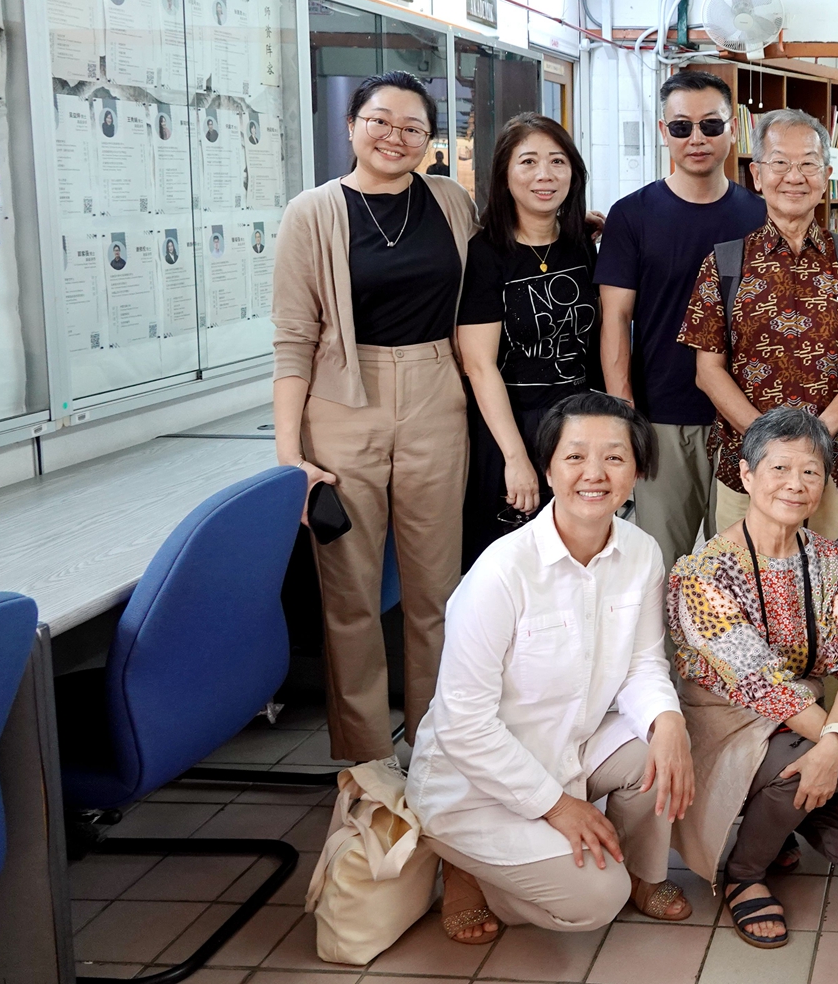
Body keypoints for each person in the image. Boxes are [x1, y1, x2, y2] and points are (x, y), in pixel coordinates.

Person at [408, 392, 695, 945]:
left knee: (662, 746)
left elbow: (643, 663)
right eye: (575, 456)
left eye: (615, 457)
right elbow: (462, 724)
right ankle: (464, 865)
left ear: (638, 471)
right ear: (547, 469)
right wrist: (558, 807)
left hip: (569, 747)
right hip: (476, 780)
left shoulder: (641, 552)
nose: (595, 473)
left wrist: (670, 722)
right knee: (596, 900)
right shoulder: (502, 572)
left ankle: (641, 870)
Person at [271, 70, 476, 762]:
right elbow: (293, 340)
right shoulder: (312, 212)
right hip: (340, 401)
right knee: (350, 591)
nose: (395, 136)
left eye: (413, 127)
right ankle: (366, 759)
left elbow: (494, 275)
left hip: (437, 394)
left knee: (437, 591)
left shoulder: (450, 201)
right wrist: (290, 457)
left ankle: (436, 746)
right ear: (352, 125)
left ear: (429, 140)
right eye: (380, 121)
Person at [668, 407, 838, 949]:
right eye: (779, 468)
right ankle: (744, 874)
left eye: (811, 471)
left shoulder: (834, 559)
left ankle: (780, 815)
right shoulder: (704, 572)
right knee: (802, 767)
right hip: (725, 721)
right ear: (746, 475)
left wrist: (832, 746)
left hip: (801, 722)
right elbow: (760, 685)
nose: (795, 483)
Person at [678, 107, 838, 577]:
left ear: (826, 175)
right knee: (748, 596)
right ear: (757, 176)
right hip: (750, 467)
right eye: (779, 163)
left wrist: (817, 436)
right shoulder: (725, 264)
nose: (794, 176)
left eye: (808, 163)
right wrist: (771, 446)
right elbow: (708, 371)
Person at [599, 70, 765, 568]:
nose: (697, 138)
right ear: (663, 131)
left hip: (745, 417)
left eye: (711, 125)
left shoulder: (762, 216)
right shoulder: (632, 215)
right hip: (661, 418)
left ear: (732, 129)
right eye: (681, 126)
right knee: (659, 566)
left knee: (740, 568)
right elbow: (615, 320)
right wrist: (624, 416)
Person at [457, 113, 604, 568]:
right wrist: (516, 458)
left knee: (577, 557)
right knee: (514, 565)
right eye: (528, 162)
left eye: (557, 161)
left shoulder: (581, 243)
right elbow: (478, 365)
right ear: (505, 175)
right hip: (511, 427)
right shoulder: (485, 254)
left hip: (576, 426)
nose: (545, 174)